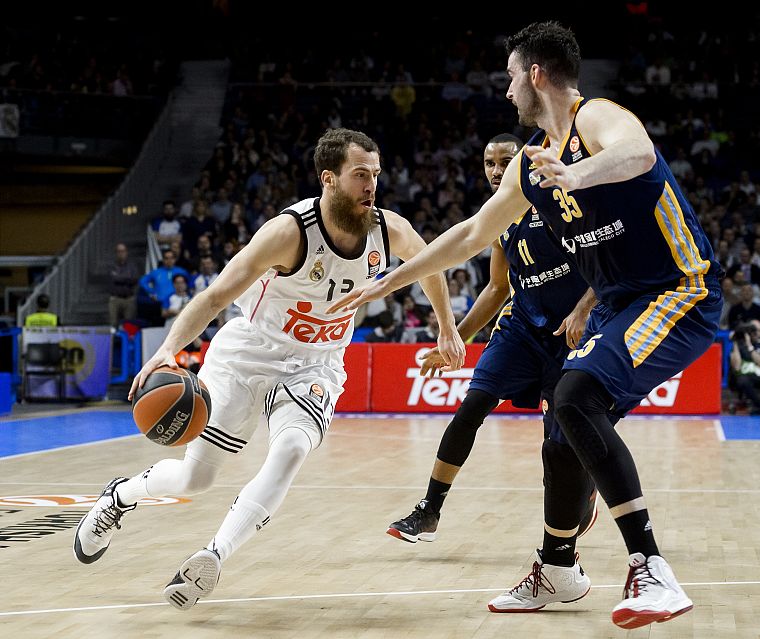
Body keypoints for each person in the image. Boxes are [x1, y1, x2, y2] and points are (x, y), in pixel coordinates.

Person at [329, 22, 723, 630]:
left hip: (679, 287)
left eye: (511, 76)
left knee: (576, 394)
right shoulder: (530, 164)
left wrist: (580, 175)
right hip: (622, 301)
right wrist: (391, 280)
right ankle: (559, 569)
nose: (507, 88)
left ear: (535, 74)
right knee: (562, 430)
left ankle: (652, 568)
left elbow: (638, 154)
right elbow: (470, 235)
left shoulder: (597, 119)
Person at [73, 128, 465, 610]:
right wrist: (168, 350)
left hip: (316, 364)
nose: (371, 186)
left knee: (293, 447)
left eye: (375, 176)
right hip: (249, 353)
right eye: (360, 175)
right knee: (196, 478)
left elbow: (433, 265)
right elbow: (217, 295)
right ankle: (121, 497)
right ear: (329, 179)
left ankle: (214, 555)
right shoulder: (288, 233)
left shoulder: (389, 230)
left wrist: (448, 328)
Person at [386, 135, 599, 576]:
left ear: (523, 162)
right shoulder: (499, 219)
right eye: (489, 162)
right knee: (471, 406)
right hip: (521, 327)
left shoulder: (560, 204)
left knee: (559, 441)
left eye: (505, 161)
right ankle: (429, 510)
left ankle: (583, 497)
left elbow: (608, 265)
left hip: (571, 332)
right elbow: (497, 288)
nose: (497, 169)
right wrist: (455, 339)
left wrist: (583, 309)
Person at [108, 243, 138, 326]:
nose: (121, 253)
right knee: (113, 323)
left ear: (126, 252)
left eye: (123, 251)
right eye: (119, 251)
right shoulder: (112, 266)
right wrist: (127, 278)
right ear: (116, 253)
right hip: (115, 299)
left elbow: (134, 280)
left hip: (129, 299)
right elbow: (113, 279)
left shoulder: (132, 266)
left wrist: (119, 277)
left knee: (128, 325)